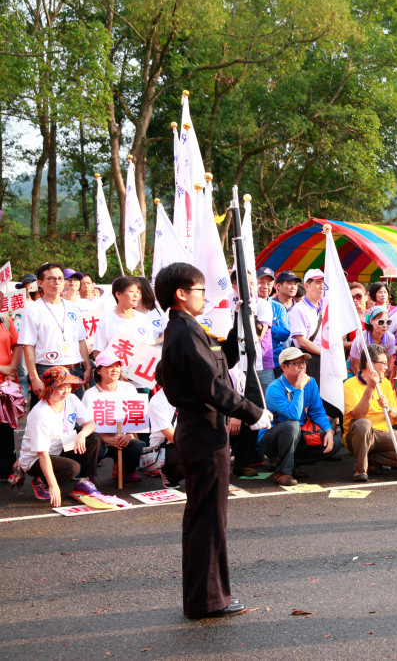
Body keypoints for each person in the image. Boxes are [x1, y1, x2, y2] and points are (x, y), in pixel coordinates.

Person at [156, 262, 272, 620]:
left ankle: (205, 597)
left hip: (205, 429)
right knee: (207, 519)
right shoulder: (185, 331)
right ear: (181, 294)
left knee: (206, 517)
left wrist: (242, 324)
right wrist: (253, 412)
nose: (205, 298)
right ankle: (207, 601)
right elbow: (211, 385)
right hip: (203, 430)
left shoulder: (187, 329)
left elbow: (219, 365)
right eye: (201, 291)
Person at [15, 366, 101, 506]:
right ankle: (40, 481)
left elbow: (91, 423)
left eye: (68, 386)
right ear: (49, 389)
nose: (66, 391)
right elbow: (42, 454)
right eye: (61, 388)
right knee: (72, 468)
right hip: (36, 458)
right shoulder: (40, 414)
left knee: (93, 438)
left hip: (61, 445)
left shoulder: (71, 399)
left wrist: (82, 434)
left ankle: (84, 482)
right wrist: (53, 486)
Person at [342, 343, 397, 482]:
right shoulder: (350, 384)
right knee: (364, 424)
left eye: (387, 362)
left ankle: (369, 459)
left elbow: (396, 411)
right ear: (369, 364)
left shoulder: (384, 383)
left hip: (384, 431)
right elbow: (357, 415)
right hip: (360, 433)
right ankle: (360, 470)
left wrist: (388, 407)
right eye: (383, 363)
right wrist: (370, 389)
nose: (386, 367)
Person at [261, 347, 334, 487]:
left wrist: (329, 430)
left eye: (303, 363)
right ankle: (282, 472)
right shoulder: (274, 388)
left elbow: (317, 411)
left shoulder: (310, 382)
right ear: (284, 367)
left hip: (298, 435)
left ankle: (293, 463)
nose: (302, 366)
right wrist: (299, 388)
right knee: (292, 425)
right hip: (272, 439)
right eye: (296, 363)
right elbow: (293, 415)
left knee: (333, 441)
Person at [22, 262, 92, 407]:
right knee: (47, 414)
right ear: (40, 283)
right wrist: (34, 378)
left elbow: (80, 340)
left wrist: (87, 366)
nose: (57, 282)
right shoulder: (33, 310)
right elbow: (28, 346)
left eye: (60, 278)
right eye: (52, 279)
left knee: (74, 416)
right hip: (47, 370)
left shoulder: (73, 307)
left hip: (74, 370)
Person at [81, 350, 147, 483]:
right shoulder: (90, 394)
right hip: (99, 439)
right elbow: (84, 425)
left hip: (122, 437)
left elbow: (135, 419)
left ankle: (125, 470)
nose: (114, 370)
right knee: (91, 445)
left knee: (138, 447)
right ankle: (89, 474)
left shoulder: (128, 388)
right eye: (109, 366)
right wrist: (105, 438)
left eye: (117, 366)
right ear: (99, 370)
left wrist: (128, 435)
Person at [92, 276, 157, 360]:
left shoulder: (143, 319)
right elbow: (98, 352)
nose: (136, 295)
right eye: (131, 291)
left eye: (137, 292)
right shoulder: (106, 320)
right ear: (118, 294)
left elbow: (150, 347)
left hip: (138, 369)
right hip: (116, 371)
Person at [289, 269, 326, 381]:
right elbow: (302, 341)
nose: (321, 286)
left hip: (324, 358)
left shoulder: (325, 306)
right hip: (308, 359)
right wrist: (325, 354)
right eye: (317, 283)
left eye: (323, 283)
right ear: (307, 286)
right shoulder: (299, 309)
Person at [0, 303, 22, 478]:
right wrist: (2, 368)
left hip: (5, 384)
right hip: (3, 374)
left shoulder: (6, 321)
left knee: (5, 428)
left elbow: (17, 346)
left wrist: (12, 370)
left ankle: (6, 469)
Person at [269, 270, 300, 377]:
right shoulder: (269, 306)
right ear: (278, 286)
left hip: (297, 361)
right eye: (289, 283)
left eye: (295, 284)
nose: (293, 287)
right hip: (275, 362)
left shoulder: (300, 308)